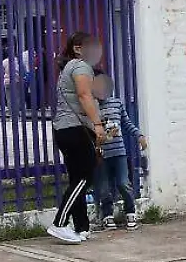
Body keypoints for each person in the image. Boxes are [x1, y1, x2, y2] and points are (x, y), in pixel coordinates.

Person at [47, 32, 106, 244]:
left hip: (64, 129)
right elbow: (84, 95)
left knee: (77, 178)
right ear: (78, 49)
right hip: (75, 129)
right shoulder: (81, 66)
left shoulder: (68, 67)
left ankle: (81, 227)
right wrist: (98, 125)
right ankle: (59, 224)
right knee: (85, 176)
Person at [92, 71, 146, 230]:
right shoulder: (91, 108)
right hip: (102, 154)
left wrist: (139, 135)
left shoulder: (117, 103)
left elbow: (127, 123)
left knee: (124, 183)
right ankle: (107, 215)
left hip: (119, 152)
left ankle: (130, 211)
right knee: (104, 187)